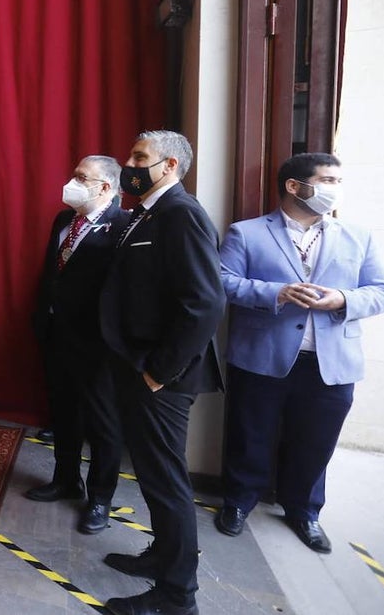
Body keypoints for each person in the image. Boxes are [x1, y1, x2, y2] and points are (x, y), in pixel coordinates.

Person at [215, 153, 384, 552]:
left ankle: (305, 510)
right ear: (295, 186)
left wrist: (343, 299)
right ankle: (238, 502)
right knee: (251, 434)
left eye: (338, 180)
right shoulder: (246, 233)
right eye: (327, 179)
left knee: (316, 441)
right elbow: (223, 283)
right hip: (262, 355)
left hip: (332, 362)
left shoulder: (358, 236)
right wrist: (274, 293)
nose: (335, 188)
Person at [98, 130, 225, 615]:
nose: (129, 163)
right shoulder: (149, 212)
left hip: (161, 375)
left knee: (168, 481)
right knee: (152, 476)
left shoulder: (181, 214)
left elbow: (204, 302)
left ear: (169, 165)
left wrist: (160, 371)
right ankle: (161, 557)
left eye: (138, 157)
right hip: (139, 366)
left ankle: (177, 596)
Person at [25, 156, 128, 535]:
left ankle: (100, 497)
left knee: (103, 423)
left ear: (105, 187)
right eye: (74, 174)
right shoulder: (63, 220)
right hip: (57, 334)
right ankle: (66, 478)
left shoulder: (122, 226)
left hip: (98, 343)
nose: (72, 182)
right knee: (63, 414)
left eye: (82, 177)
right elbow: (52, 272)